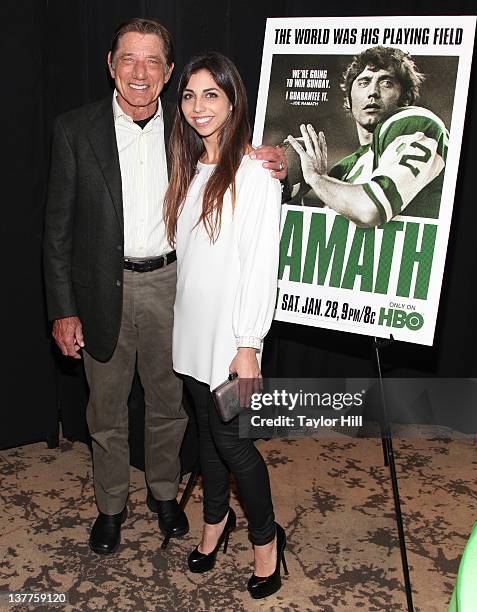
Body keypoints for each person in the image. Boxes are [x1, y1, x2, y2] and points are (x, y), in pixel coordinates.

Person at [43, 18, 286, 556]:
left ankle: (163, 495)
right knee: (104, 410)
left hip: (172, 286)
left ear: (168, 73)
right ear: (110, 65)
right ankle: (111, 507)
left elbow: (238, 155)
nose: (139, 72)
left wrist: (281, 160)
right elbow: (55, 232)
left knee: (169, 406)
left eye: (153, 61)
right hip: (101, 291)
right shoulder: (73, 129)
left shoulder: (184, 131)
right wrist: (63, 308)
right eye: (129, 59)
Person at [164, 52, 287, 599]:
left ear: (233, 100)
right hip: (192, 333)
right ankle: (216, 524)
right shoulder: (191, 170)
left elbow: (260, 263)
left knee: (236, 447)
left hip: (233, 342)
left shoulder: (256, 173)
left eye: (211, 94)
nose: (198, 106)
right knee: (210, 443)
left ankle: (267, 545)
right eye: (189, 96)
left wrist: (248, 345)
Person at [287, 46, 449, 226]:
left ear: (406, 98)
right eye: (363, 82)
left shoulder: (419, 125)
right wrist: (293, 197)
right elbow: (323, 239)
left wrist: (316, 178)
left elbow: (369, 210)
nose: (373, 92)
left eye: (386, 82)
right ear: (349, 99)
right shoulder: (344, 170)